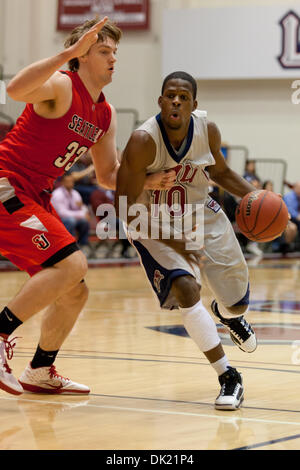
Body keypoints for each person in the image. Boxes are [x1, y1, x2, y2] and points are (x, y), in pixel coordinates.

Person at [0, 17, 175, 396]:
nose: (113, 58)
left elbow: (107, 175)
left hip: (35, 195)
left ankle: (40, 370)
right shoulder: (63, 84)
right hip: (6, 185)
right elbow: (14, 89)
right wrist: (66, 55)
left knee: (75, 290)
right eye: (103, 50)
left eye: (115, 52)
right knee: (72, 264)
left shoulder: (105, 114)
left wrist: (146, 182)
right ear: (81, 55)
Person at [115, 71, 258, 410]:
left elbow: (221, 173)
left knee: (236, 303)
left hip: (201, 214)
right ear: (161, 101)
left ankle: (229, 315)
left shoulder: (207, 131)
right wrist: (175, 243)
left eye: (183, 96)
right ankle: (228, 374)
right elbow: (123, 203)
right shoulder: (142, 140)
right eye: (169, 95)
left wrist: (262, 198)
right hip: (152, 222)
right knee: (185, 289)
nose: (176, 100)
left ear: (195, 104)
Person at [51, 174, 91, 258]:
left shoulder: (75, 193)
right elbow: (62, 213)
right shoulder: (57, 194)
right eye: (68, 181)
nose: (70, 183)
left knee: (84, 221)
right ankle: (69, 247)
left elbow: (82, 207)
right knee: (71, 221)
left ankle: (82, 245)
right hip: (57, 220)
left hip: (72, 218)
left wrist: (85, 213)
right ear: (62, 182)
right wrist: (82, 214)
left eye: (71, 181)